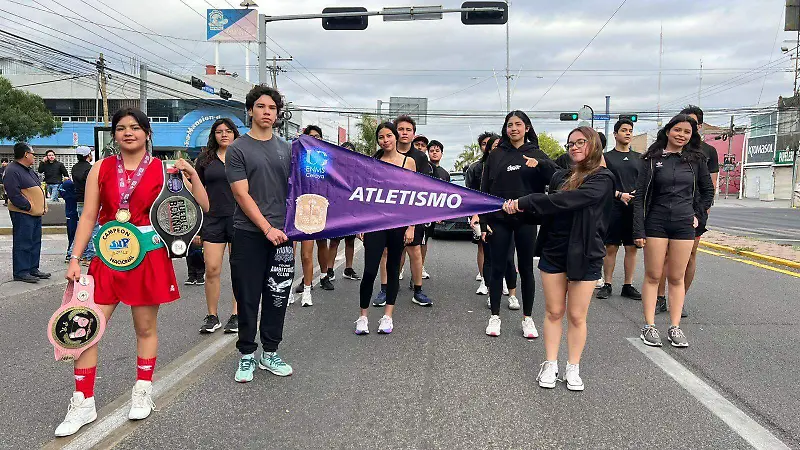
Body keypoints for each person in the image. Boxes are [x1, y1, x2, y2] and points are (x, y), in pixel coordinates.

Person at [55, 107, 209, 436]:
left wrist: (192, 175)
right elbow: (88, 216)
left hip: (148, 257)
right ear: (114, 135)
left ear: (147, 133)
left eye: (136, 127)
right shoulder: (101, 168)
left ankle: (143, 389)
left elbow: (202, 208)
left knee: (145, 328)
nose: (129, 132)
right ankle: (83, 401)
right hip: (107, 258)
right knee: (86, 327)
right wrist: (75, 257)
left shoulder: (165, 169)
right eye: (122, 128)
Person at [503, 126, 615, 391]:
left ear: (594, 145)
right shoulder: (560, 177)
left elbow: (568, 201)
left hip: (586, 253)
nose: (574, 147)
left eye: (580, 142)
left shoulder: (603, 178)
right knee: (554, 312)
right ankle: (550, 363)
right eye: (570, 143)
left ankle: (573, 366)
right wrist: (513, 209)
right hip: (554, 250)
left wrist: (528, 200)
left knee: (577, 315)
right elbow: (547, 211)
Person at [226, 85, 295, 383]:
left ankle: (270, 351)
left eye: (272, 108)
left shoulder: (287, 149)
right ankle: (246, 355)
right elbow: (242, 194)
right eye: (261, 107)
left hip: (284, 236)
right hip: (249, 233)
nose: (267, 112)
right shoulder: (238, 148)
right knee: (248, 295)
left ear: (278, 114)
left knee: (277, 295)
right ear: (251, 110)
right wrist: (266, 228)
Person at [633, 114, 714, 348]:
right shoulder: (651, 159)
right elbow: (640, 198)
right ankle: (649, 326)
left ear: (692, 136)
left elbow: (708, 191)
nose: (681, 135)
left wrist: (698, 216)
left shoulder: (696, 160)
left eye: (687, 132)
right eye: (677, 130)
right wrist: (638, 229)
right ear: (668, 131)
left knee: (677, 277)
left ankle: (675, 327)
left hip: (684, 223)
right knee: (653, 275)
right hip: (656, 222)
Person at [480, 110, 551, 338]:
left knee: (526, 269)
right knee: (497, 266)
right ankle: (494, 316)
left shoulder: (537, 153)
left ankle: (528, 319)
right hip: (499, 219)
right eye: (509, 125)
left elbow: (556, 177)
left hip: (527, 218)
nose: (513, 128)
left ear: (527, 128)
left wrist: (539, 164)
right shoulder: (496, 155)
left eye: (518, 124)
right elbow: (484, 190)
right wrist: (483, 221)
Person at [655, 105, 720, 316]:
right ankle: (660, 297)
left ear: (698, 127)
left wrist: (702, 213)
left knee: (690, 256)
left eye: (690, 125)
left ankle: (679, 299)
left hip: (694, 213)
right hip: (668, 211)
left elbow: (710, 185)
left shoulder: (708, 152)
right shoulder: (666, 151)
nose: (684, 130)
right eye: (679, 126)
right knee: (665, 256)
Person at [355, 122, 417, 335]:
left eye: (389, 135)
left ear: (396, 136)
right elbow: (365, 195)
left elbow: (413, 197)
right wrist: (361, 223)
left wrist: (411, 226)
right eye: (381, 137)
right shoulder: (372, 163)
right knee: (370, 270)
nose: (386, 140)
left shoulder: (408, 163)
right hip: (375, 222)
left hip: (398, 224)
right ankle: (363, 316)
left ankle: (387, 315)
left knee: (393, 269)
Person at [374, 115, 433, 307]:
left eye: (408, 130)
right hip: (385, 213)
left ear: (413, 134)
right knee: (385, 251)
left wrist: (413, 222)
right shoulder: (380, 155)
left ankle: (418, 290)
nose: (404, 133)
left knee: (414, 250)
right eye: (401, 129)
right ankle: (385, 289)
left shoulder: (420, 157)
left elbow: (421, 189)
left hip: (412, 212)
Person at [196, 118, 240, 334]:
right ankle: (212, 316)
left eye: (228, 131)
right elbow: (196, 188)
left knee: (238, 269)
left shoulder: (242, 156)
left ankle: (236, 314)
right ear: (213, 135)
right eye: (219, 131)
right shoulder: (205, 159)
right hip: (212, 219)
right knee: (212, 269)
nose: (224, 134)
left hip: (240, 219)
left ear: (234, 134)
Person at [596, 119, 642, 301]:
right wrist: (618, 195)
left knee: (632, 248)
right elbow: (601, 183)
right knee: (611, 247)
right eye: (624, 130)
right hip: (613, 207)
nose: (628, 133)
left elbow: (644, 181)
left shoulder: (640, 158)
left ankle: (627, 285)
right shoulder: (606, 157)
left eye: (630, 130)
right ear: (615, 134)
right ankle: (607, 284)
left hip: (633, 209)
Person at [476, 135, 520, 309]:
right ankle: (490, 291)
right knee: (490, 258)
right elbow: (476, 195)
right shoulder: (478, 168)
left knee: (509, 259)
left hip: (509, 219)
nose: (496, 148)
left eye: (500, 145)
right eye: (492, 145)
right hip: (489, 218)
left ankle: (512, 294)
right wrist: (478, 217)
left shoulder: (512, 165)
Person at [293, 125, 334, 308]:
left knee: (321, 243)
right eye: (310, 137)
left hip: (320, 205)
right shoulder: (296, 155)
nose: (314, 139)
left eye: (317, 136)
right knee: (296, 253)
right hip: (299, 207)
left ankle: (324, 275)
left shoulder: (327, 157)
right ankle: (300, 284)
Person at [5, 142, 50, 283]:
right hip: (23, 213)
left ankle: (32, 268)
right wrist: (28, 206)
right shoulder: (12, 170)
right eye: (32, 153)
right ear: (25, 154)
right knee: (23, 242)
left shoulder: (28, 170)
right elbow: (13, 194)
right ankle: (21, 271)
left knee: (34, 242)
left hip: (34, 213)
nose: (34, 156)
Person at [327, 141, 360, 281]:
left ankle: (348, 268)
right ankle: (329, 269)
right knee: (334, 242)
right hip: (337, 210)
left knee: (350, 242)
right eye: (345, 151)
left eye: (350, 152)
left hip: (351, 211)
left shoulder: (357, 171)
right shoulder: (334, 170)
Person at [466, 132, 495, 286]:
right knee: (483, 245)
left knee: (502, 247)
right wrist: (475, 214)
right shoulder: (475, 168)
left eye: (491, 143)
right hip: (481, 212)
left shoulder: (503, 165)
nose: (488, 147)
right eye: (484, 144)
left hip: (501, 213)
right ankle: (484, 279)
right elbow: (470, 194)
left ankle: (501, 279)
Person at [68, 146, 97, 265]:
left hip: (79, 200)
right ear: (87, 155)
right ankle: (89, 256)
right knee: (93, 228)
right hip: (90, 201)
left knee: (82, 226)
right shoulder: (90, 168)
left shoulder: (74, 168)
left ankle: (73, 253)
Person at [60, 179, 78, 261]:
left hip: (69, 214)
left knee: (71, 234)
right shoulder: (75, 192)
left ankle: (70, 252)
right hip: (75, 213)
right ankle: (72, 252)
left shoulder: (66, 190)